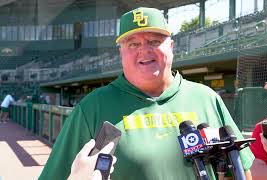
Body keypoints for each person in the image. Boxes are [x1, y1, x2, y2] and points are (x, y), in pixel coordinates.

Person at [39, 7, 254, 180]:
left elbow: (243, 169)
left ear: (171, 46)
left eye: (154, 41)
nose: (144, 49)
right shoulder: (92, 108)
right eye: (133, 43)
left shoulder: (206, 98)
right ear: (120, 52)